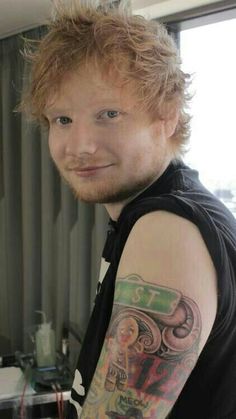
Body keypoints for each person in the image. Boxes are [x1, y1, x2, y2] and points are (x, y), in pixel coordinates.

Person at [20, 1, 236, 418]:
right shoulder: (156, 215)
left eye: (109, 114)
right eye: (62, 120)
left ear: (167, 117)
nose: (80, 145)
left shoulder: (167, 230)